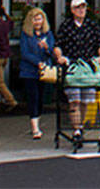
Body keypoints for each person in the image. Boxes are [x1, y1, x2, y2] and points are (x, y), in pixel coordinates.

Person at [53, 0, 100, 144]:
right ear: (72, 10)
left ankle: (80, 126)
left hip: (88, 67)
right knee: (74, 99)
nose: (81, 10)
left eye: (83, 7)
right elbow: (58, 45)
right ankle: (76, 129)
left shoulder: (92, 25)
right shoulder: (66, 26)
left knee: (85, 100)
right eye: (78, 7)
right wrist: (60, 56)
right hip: (72, 67)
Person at [18, 7, 56, 139]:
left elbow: (52, 51)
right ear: (30, 21)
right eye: (35, 19)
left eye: (40, 19)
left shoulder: (48, 34)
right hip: (29, 71)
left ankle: (37, 122)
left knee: (40, 98)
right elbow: (24, 53)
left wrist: (46, 48)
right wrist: (37, 62)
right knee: (33, 98)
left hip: (44, 72)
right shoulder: (25, 34)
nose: (38, 22)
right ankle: (35, 128)